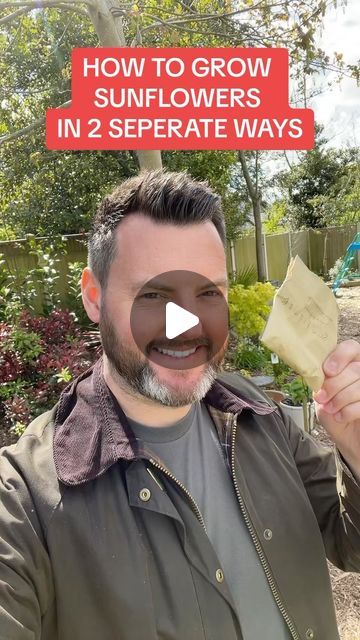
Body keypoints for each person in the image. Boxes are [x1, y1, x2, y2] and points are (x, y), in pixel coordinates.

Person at [0, 169, 360, 640]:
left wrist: (355, 450)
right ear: (95, 296)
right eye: (153, 295)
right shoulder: (24, 500)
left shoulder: (256, 414)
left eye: (208, 292)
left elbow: (349, 544)